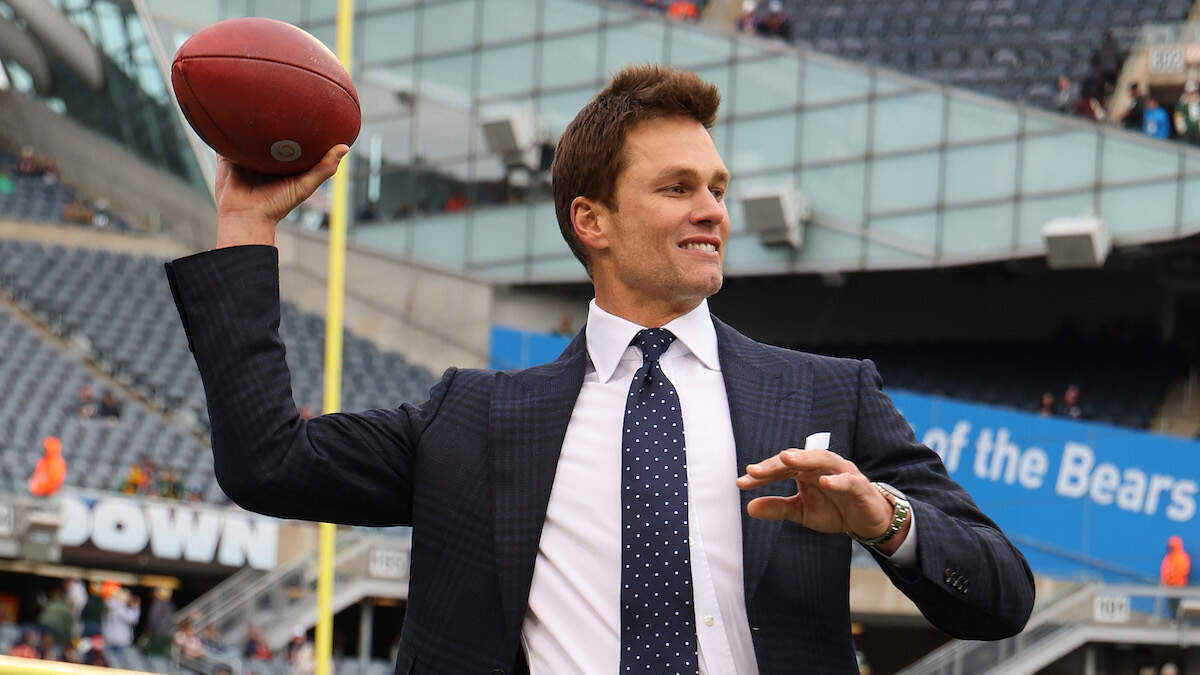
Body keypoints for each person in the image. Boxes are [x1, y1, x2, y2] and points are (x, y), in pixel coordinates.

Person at [164, 65, 1034, 673]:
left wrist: (885, 519)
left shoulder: (828, 393)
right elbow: (267, 460)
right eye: (678, 188)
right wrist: (247, 225)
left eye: (718, 188)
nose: (713, 212)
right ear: (593, 220)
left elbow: (1002, 594)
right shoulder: (472, 418)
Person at [101, 587, 140, 655]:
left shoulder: (111, 604)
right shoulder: (118, 606)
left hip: (109, 637)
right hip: (118, 639)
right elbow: (132, 619)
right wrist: (135, 607)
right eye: (127, 595)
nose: (128, 598)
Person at [1161, 535, 1190, 619]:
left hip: (1178, 586)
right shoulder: (1168, 557)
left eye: (1172, 547)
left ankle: (1179, 620)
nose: (1170, 548)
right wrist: (1165, 581)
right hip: (1169, 586)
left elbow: (1182, 571)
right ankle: (1174, 620)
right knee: (1171, 605)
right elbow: (1164, 570)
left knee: (1178, 605)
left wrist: (1172, 580)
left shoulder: (1182, 558)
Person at [144, 587, 176, 656]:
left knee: (155, 655)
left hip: (158, 634)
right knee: (162, 655)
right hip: (166, 634)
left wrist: (148, 631)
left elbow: (152, 619)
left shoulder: (158, 604)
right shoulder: (169, 604)